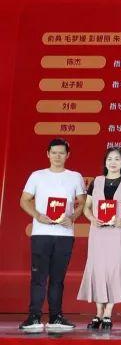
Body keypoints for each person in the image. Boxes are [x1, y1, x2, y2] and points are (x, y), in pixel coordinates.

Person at [18, 138, 85, 332]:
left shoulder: (75, 177)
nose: (57, 156)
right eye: (54, 152)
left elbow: (82, 202)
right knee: (38, 277)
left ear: (67, 155)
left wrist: (72, 217)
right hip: (41, 233)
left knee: (58, 278)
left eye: (61, 153)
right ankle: (34, 316)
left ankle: (56, 316)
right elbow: (24, 200)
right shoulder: (37, 176)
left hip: (64, 234)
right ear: (48, 154)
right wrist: (38, 215)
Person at [77, 147, 121, 329]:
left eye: (117, 159)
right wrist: (92, 218)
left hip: (117, 232)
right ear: (105, 162)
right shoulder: (96, 182)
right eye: (110, 159)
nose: (113, 162)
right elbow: (86, 207)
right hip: (98, 232)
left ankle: (108, 312)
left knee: (114, 269)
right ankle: (98, 313)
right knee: (98, 268)